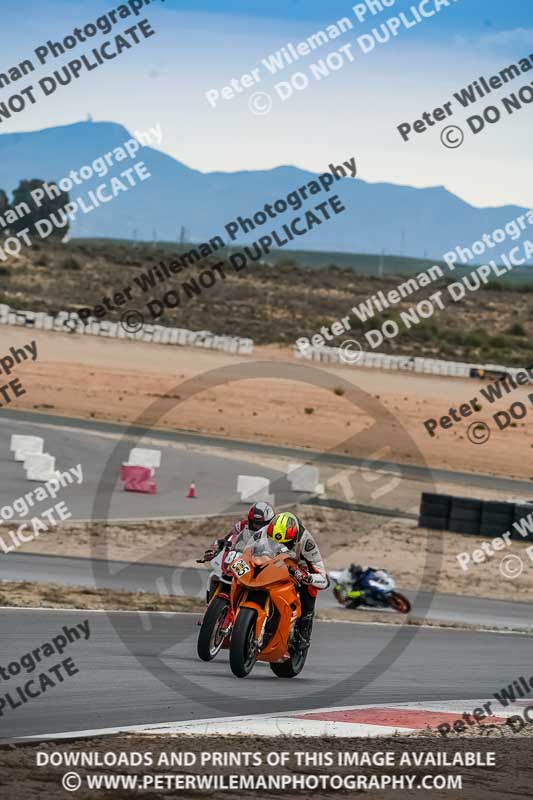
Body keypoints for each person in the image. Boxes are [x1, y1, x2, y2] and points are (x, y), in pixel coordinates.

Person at [265, 511, 328, 648]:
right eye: (274, 541)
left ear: (294, 538)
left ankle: (303, 632)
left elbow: (323, 578)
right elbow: (250, 547)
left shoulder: (306, 541)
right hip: (271, 563)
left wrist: (307, 577)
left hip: (297, 569)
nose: (280, 546)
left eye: (285, 543)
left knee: (310, 589)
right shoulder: (267, 530)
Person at [203, 501, 275, 563]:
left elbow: (279, 548)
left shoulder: (275, 531)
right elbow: (228, 538)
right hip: (242, 558)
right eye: (255, 523)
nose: (258, 526)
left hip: (264, 561)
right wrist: (216, 550)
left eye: (262, 524)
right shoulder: (242, 525)